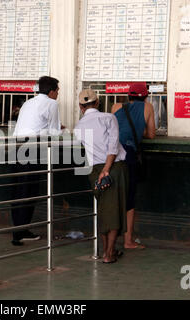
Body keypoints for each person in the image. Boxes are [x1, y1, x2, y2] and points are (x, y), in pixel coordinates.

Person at [74, 89, 128, 263]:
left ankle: (107, 250)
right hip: (113, 168)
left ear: (81, 107)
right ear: (97, 103)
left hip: (93, 170)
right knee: (114, 210)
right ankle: (108, 254)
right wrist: (107, 168)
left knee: (104, 210)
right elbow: (112, 146)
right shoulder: (108, 118)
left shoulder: (79, 126)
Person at [10, 76, 63, 246]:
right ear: (52, 91)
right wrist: (64, 130)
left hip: (16, 147)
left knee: (19, 190)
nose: (58, 95)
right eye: (58, 91)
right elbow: (54, 133)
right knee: (29, 191)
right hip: (32, 149)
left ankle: (19, 229)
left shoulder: (28, 103)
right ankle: (20, 232)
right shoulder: (52, 104)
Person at [111, 82, 156, 250]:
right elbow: (151, 134)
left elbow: (114, 129)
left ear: (128, 95)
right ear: (145, 96)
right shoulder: (148, 107)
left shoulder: (116, 106)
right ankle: (128, 240)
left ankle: (109, 239)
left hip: (111, 154)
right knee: (129, 198)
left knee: (113, 196)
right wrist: (140, 129)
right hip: (129, 154)